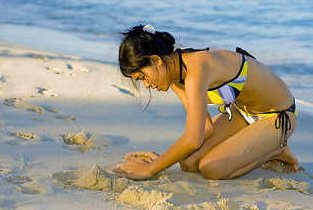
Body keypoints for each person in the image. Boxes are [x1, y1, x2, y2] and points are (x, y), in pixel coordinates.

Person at [113, 24, 298, 180]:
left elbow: (194, 139)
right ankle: (264, 146)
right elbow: (206, 128)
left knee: (212, 169)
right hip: (242, 113)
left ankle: (276, 151)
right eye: (140, 80)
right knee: (188, 163)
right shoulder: (174, 75)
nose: (146, 85)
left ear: (156, 60)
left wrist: (149, 169)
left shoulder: (196, 69)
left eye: (144, 76)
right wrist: (160, 160)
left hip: (279, 115)